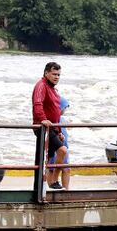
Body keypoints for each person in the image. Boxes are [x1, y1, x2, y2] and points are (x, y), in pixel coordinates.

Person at [31, 61, 68, 190]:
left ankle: (44, 185)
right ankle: (53, 182)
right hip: (43, 127)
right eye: (54, 74)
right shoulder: (41, 86)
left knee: (49, 157)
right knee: (62, 151)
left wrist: (59, 132)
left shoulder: (53, 89)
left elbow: (56, 112)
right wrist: (42, 119)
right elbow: (38, 103)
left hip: (52, 128)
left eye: (58, 74)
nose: (56, 77)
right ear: (46, 73)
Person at [47, 96, 71, 190]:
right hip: (56, 147)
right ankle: (52, 188)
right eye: (64, 108)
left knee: (66, 169)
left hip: (64, 147)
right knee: (52, 169)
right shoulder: (54, 119)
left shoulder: (62, 119)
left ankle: (66, 189)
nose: (65, 110)